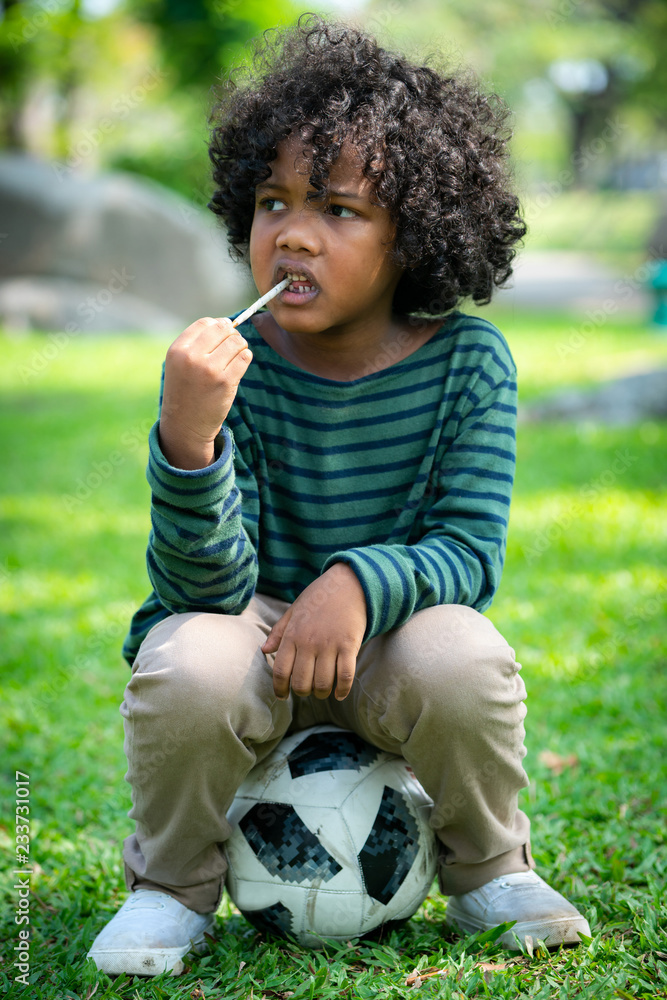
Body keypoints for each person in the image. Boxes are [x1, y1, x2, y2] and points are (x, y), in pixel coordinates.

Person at [87, 14, 591, 977]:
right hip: (253, 632)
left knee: (465, 654)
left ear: (417, 236)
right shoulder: (241, 372)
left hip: (392, 641)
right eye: (271, 203)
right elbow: (204, 588)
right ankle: (171, 890)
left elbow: (467, 553)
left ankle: (489, 869)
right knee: (182, 662)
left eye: (340, 211)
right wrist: (189, 440)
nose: (294, 236)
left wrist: (357, 585)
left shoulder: (468, 363)